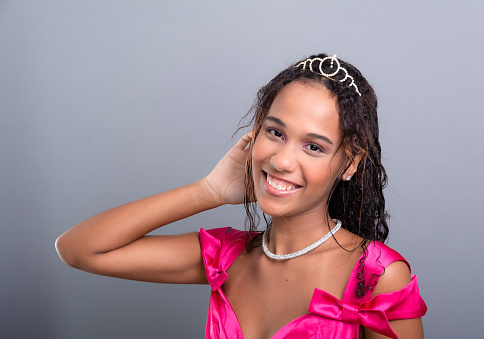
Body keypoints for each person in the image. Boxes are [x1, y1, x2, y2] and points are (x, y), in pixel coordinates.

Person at [56, 53, 427, 338]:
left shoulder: (377, 276)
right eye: (276, 133)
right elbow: (79, 249)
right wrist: (208, 191)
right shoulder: (226, 258)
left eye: (314, 147)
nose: (281, 161)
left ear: (350, 163)